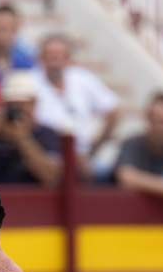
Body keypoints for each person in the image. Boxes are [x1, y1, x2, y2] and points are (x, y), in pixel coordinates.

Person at [34, 34, 120, 174]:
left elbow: (113, 110)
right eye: (50, 55)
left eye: (60, 55)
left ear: (68, 59)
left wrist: (94, 148)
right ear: (41, 58)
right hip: (48, 158)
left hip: (86, 156)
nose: (54, 60)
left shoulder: (83, 78)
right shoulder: (30, 82)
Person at [0, 69, 63, 186]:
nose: (16, 110)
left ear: (34, 104)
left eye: (21, 104)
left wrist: (23, 139)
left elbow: (52, 177)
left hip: (34, 201)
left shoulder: (47, 134)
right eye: (10, 105)